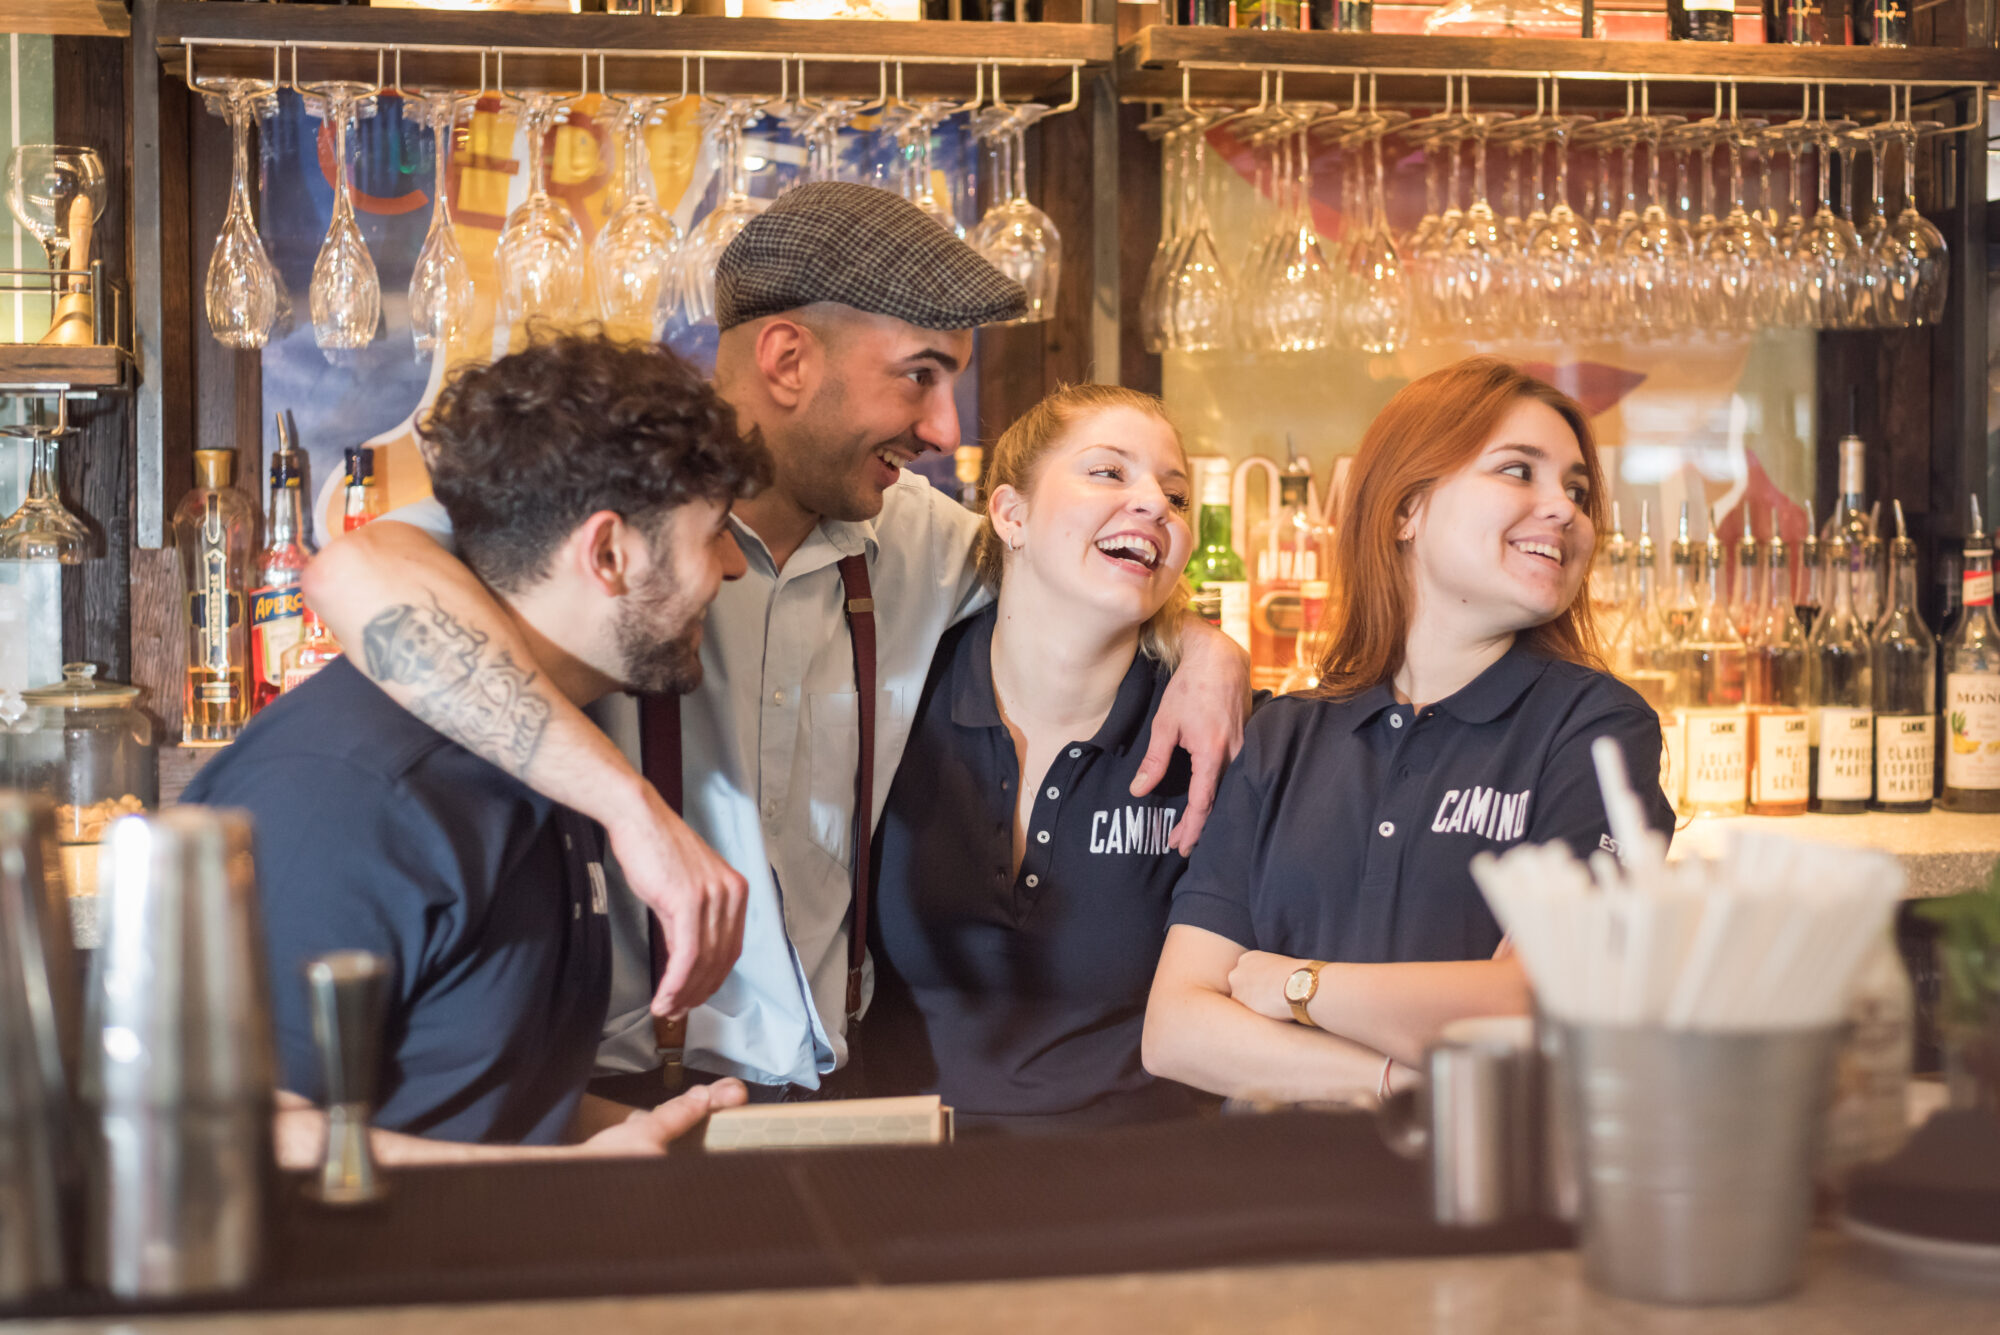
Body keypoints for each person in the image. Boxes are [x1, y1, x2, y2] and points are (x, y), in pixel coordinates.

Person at [302, 182, 1251, 1102]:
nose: (944, 428)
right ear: (789, 361)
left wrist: (1206, 649)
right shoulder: (615, 512)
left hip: (842, 1086)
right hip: (624, 1092)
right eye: (920, 375)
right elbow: (355, 574)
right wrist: (628, 807)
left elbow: (1079, 564)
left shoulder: (918, 535)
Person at [185, 334, 762, 1159]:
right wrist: (564, 1187)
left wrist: (639, 1140)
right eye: (714, 534)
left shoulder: (560, 760)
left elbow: (462, 1101)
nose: (735, 567)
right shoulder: (345, 793)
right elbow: (220, 1135)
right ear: (606, 552)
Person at [1142, 357, 1676, 1104]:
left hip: (1487, 1192)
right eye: (1519, 471)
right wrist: (1397, 1081)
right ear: (1406, 508)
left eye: (1579, 490)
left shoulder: (1596, 728)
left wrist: (1293, 983)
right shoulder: (1285, 736)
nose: (1564, 509)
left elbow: (1545, 1000)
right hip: (1283, 1190)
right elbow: (1175, 1029)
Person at [864, 385, 1203, 1132]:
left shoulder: (1204, 736)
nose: (1154, 503)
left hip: (1134, 1171)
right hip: (893, 1169)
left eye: (1176, 495)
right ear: (1010, 515)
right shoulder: (897, 694)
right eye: (1109, 473)